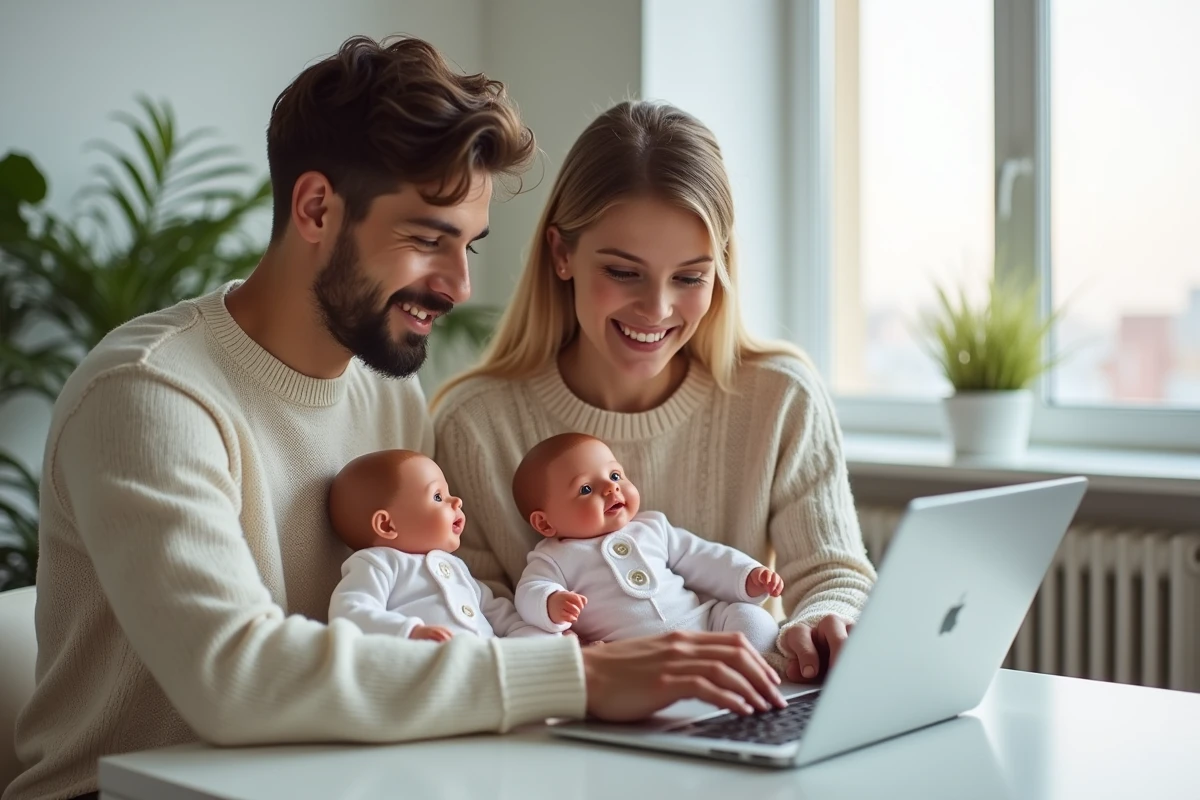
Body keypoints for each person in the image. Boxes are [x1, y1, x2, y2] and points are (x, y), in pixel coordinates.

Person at [3, 38, 782, 800]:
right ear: (316, 208)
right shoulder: (151, 395)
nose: (460, 286)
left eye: (469, 245)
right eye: (426, 240)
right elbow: (234, 677)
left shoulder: (387, 397)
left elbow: (426, 627)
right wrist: (578, 677)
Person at [431, 100, 879, 686]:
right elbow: (469, 615)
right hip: (575, 732)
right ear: (562, 254)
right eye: (623, 271)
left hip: (746, 711)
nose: (658, 309)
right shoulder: (475, 424)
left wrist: (823, 621)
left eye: (690, 277)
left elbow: (834, 574)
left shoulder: (779, 397)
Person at [510, 433, 784, 653]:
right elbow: (529, 591)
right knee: (594, 663)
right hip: (634, 655)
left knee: (753, 619)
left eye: (615, 475)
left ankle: (754, 666)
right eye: (586, 489)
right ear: (545, 524)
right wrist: (551, 603)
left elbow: (702, 556)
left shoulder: (653, 527)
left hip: (706, 625)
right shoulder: (553, 558)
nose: (611, 488)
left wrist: (747, 574)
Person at [326, 449, 545, 640]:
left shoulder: (455, 567)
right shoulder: (378, 564)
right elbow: (350, 611)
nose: (456, 501)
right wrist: (408, 631)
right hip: (433, 667)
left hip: (489, 660)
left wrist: (536, 634)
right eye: (438, 496)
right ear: (387, 525)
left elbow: (498, 613)